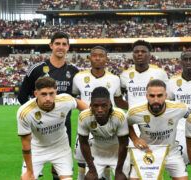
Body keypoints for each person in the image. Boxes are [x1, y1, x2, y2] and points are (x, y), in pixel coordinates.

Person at [72, 46, 128, 179]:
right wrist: (86, 111)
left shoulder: (114, 79)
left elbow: (118, 101)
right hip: (88, 122)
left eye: (101, 55)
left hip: (110, 124)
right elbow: (74, 98)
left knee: (108, 161)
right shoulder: (78, 77)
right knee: (83, 162)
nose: (98, 58)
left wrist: (135, 109)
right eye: (94, 55)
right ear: (89, 58)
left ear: (106, 59)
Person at [17, 77, 87, 180]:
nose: (48, 98)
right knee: (27, 178)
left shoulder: (65, 100)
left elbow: (78, 103)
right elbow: (26, 145)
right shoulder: (25, 112)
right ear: (36, 94)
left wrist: (91, 116)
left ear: (56, 92)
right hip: (37, 149)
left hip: (61, 147)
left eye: (51, 93)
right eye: (44, 94)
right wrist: (29, 171)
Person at [18, 31, 79, 147]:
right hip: (40, 124)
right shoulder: (37, 69)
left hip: (63, 125)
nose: (61, 47)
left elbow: (75, 100)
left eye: (64, 44)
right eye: (57, 43)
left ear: (68, 47)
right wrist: (35, 115)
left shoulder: (74, 71)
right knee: (37, 160)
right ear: (51, 45)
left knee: (61, 163)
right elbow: (22, 96)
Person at [127, 79, 188, 180]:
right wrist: (135, 138)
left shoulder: (179, 108)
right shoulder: (135, 112)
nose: (156, 100)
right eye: (152, 96)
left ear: (166, 96)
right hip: (147, 151)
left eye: (159, 95)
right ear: (146, 96)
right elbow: (126, 124)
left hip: (170, 151)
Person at [77, 87, 129, 180]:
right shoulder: (84, 116)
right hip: (97, 153)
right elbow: (83, 143)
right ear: (90, 105)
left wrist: (119, 170)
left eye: (104, 105)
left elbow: (124, 144)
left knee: (121, 178)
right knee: (89, 178)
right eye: (96, 106)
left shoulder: (120, 115)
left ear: (110, 104)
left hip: (118, 154)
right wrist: (92, 169)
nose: (100, 109)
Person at [120, 40, 168, 109]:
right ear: (133, 55)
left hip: (154, 116)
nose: (139, 54)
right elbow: (118, 98)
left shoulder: (160, 73)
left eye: (143, 51)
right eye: (136, 52)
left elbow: (167, 96)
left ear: (149, 55)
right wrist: (131, 109)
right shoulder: (125, 75)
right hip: (133, 117)